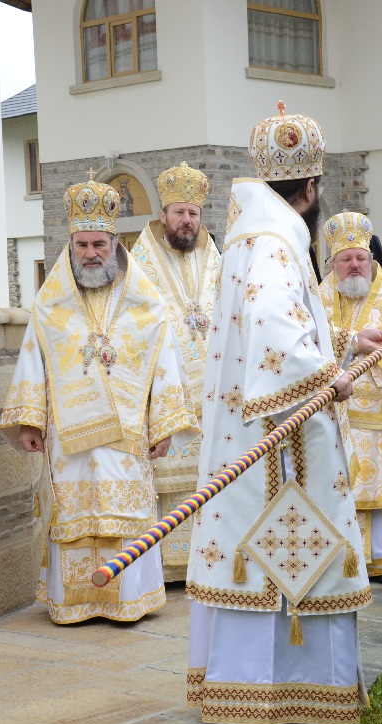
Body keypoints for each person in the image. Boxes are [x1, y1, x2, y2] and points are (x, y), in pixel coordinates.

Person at [185, 105, 382, 724]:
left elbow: (273, 330)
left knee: (256, 548)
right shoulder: (277, 244)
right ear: (310, 188)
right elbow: (278, 339)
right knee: (292, 549)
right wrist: (329, 379)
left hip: (249, 430)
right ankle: (294, 697)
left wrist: (345, 345)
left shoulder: (251, 238)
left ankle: (253, 692)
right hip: (282, 439)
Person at [0, 174, 199, 623]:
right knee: (74, 513)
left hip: (128, 440)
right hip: (69, 441)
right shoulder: (51, 305)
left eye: (99, 245)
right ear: (71, 245)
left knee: (125, 514)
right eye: (82, 245)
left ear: (115, 244)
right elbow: (34, 361)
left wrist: (164, 424)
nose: (90, 254)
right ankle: (76, 602)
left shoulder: (145, 304)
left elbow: (165, 364)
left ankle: (128, 600)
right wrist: (30, 421)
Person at [130, 162, 221, 581]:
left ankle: (214, 557)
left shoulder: (213, 257)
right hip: (171, 388)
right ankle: (173, 565)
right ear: (163, 215)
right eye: (179, 213)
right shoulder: (139, 264)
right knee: (176, 480)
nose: (187, 221)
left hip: (215, 389)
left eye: (194, 214)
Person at [318, 212, 382, 582]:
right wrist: (352, 345)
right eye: (346, 259)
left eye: (360, 258)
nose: (354, 265)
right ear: (334, 264)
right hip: (332, 409)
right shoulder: (318, 297)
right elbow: (308, 338)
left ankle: (379, 558)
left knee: (378, 485)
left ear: (370, 261)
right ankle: (337, 557)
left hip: (378, 409)